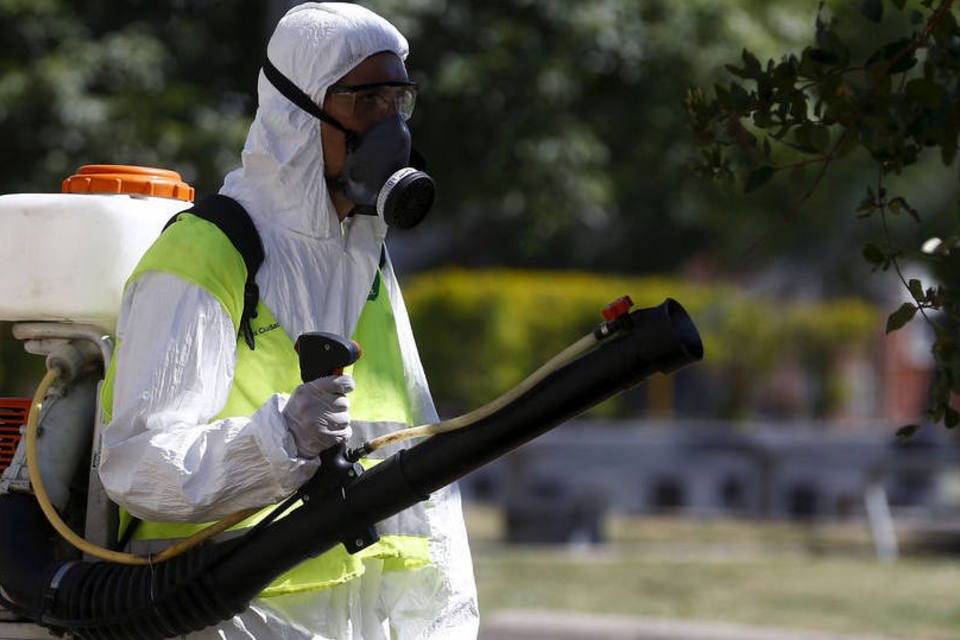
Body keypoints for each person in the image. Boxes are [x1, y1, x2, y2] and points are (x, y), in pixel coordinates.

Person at [97, 3, 479, 639]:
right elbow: (137, 465)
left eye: (398, 99)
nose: (390, 125)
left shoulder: (366, 256)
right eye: (365, 101)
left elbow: (418, 466)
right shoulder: (208, 253)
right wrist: (279, 441)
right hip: (225, 619)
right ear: (298, 113)